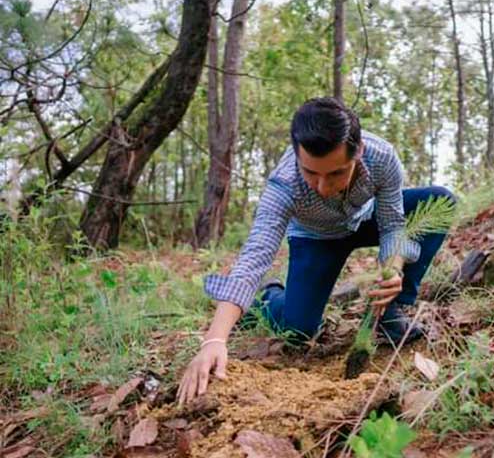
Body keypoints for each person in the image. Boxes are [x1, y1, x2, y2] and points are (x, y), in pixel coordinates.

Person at [177, 97, 454, 404]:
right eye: (311, 173)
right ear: (297, 155)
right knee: (297, 331)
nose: (323, 187)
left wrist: (394, 270)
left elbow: (392, 224)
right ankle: (268, 298)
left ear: (358, 151)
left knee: (440, 199)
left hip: (365, 219)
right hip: (315, 238)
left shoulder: (382, 157)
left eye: (335, 173)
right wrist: (214, 340)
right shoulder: (283, 184)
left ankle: (391, 310)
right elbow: (255, 256)